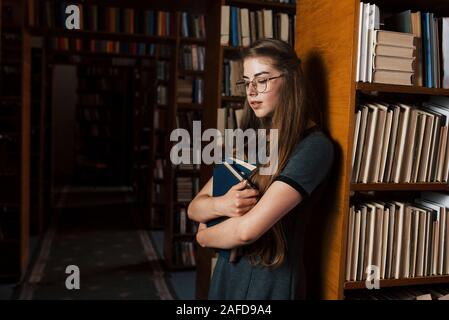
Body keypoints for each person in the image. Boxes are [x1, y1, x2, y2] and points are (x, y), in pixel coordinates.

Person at [187, 38, 334, 300]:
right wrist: (224, 205)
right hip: (228, 271)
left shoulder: (314, 147)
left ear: (289, 81)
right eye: (246, 81)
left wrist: (204, 237)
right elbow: (195, 207)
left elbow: (245, 232)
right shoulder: (254, 140)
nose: (251, 91)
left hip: (269, 282)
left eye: (262, 79)